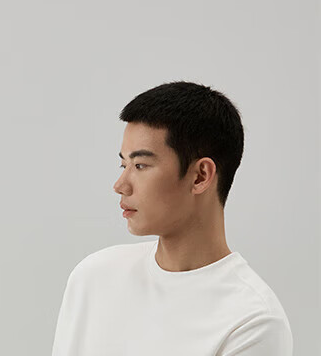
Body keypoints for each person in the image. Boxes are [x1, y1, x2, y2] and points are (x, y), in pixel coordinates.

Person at [51, 81, 293, 355]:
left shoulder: (252, 322)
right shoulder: (94, 278)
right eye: (123, 164)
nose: (120, 185)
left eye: (140, 165)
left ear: (200, 176)